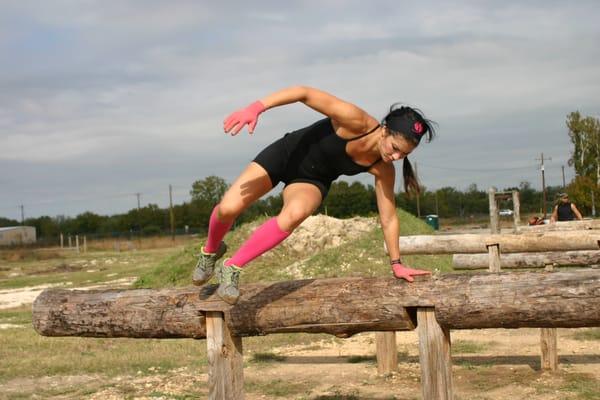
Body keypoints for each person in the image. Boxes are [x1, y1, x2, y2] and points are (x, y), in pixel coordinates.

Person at [193, 86, 435, 304]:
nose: (395, 157)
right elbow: (303, 93)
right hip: (286, 155)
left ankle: (232, 266)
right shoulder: (354, 120)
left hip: (311, 181)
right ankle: (210, 251)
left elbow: (389, 217)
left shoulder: (383, 168)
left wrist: (397, 264)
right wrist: (256, 108)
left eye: (403, 155)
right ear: (384, 131)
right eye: (395, 149)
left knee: (295, 214)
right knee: (228, 209)